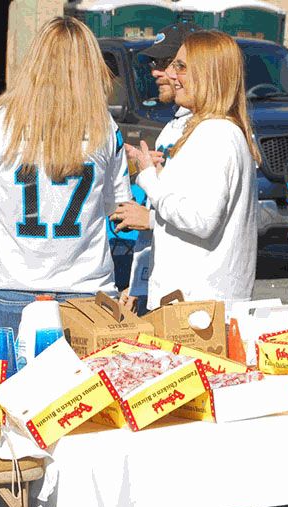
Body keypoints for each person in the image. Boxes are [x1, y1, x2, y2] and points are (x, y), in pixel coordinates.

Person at [0, 17, 132, 353]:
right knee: (84, 389)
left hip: (12, 287)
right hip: (86, 292)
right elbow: (117, 207)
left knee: (9, 388)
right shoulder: (104, 126)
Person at [125, 30, 260, 310]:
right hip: (198, 302)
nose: (171, 75)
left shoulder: (215, 133)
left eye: (181, 67)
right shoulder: (214, 130)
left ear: (208, 75)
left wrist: (149, 178)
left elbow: (201, 220)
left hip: (197, 306)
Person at [111, 21, 199, 314]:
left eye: (167, 63)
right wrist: (138, 284)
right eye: (155, 64)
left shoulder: (208, 130)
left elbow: (203, 219)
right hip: (159, 285)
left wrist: (148, 219)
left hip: (186, 295)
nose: (157, 72)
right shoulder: (173, 125)